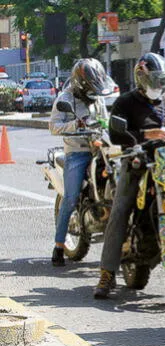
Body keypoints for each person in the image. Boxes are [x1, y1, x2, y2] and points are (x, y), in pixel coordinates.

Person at [94, 53, 165, 298]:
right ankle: (107, 273)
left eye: (162, 80)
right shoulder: (125, 102)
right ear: (142, 78)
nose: (159, 85)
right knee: (121, 209)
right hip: (137, 164)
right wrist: (147, 135)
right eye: (155, 80)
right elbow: (116, 135)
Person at [49, 58, 110, 267]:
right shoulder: (64, 99)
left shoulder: (98, 98)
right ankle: (58, 245)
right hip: (77, 152)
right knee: (71, 197)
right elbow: (54, 127)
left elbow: (106, 121)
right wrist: (76, 124)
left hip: (99, 148)